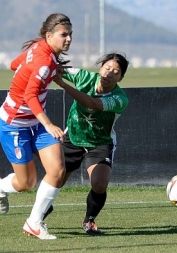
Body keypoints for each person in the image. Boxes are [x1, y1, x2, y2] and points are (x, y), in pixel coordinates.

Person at [0, 13, 72, 240]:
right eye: (63, 35)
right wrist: (49, 124)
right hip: (14, 124)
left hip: (35, 123)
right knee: (26, 183)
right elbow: (29, 95)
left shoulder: (41, 51)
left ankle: (34, 223)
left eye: (70, 34)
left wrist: (39, 71)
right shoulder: (45, 60)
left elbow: (13, 65)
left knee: (57, 170)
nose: (68, 39)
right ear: (49, 35)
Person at [47, 52, 130, 235]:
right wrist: (53, 65)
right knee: (56, 179)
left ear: (121, 77)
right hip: (73, 138)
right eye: (107, 68)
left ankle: (89, 219)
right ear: (100, 68)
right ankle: (42, 210)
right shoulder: (83, 76)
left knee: (99, 184)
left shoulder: (120, 99)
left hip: (100, 143)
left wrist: (62, 84)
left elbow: (92, 103)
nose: (109, 74)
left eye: (115, 72)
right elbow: (58, 69)